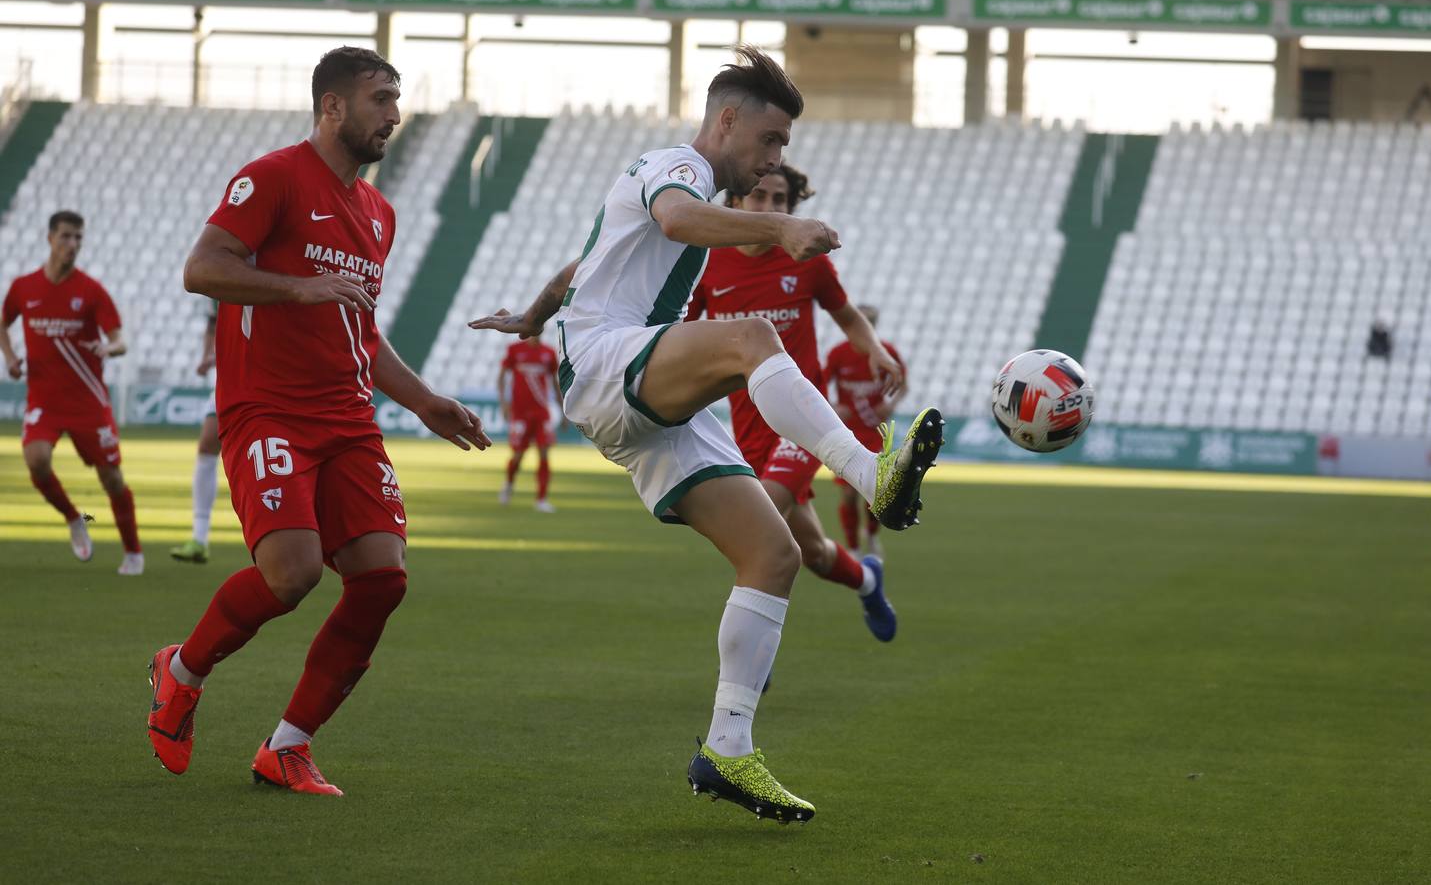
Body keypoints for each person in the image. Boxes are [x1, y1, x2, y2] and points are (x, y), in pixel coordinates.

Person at [470, 46, 943, 824]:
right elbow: (679, 219)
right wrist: (782, 227)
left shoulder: (681, 190)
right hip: (605, 362)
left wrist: (531, 314)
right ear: (726, 120)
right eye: (770, 140)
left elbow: (581, 263)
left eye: (782, 149)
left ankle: (726, 747)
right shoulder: (675, 168)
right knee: (751, 335)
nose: (774, 160)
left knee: (775, 555)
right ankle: (871, 475)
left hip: (643, 396)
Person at [145, 47, 490, 797]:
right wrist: (296, 289)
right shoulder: (271, 176)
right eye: (381, 100)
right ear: (332, 107)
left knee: (381, 580)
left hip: (349, 419)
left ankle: (288, 746)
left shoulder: (379, 213)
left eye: (397, 102)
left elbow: (360, 332)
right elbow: (201, 269)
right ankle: (180, 671)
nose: (394, 116)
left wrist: (423, 399)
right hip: (267, 411)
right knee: (294, 573)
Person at [685, 165, 902, 641]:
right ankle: (867, 580)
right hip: (747, 426)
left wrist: (878, 350)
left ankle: (749, 655)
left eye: (779, 200)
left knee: (755, 522)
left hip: (805, 423)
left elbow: (847, 317)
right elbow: (682, 339)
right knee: (813, 552)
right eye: (758, 196)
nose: (768, 208)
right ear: (736, 201)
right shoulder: (707, 265)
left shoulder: (808, 262)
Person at [1, 210, 144, 575]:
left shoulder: (91, 291)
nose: (73, 245)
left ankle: (133, 552)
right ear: (50, 238)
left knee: (112, 478)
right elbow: (3, 323)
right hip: (44, 401)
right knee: (35, 459)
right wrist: (12, 357)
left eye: (78, 238)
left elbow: (119, 340)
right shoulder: (24, 287)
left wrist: (109, 349)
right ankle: (73, 518)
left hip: (88, 404)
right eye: (66, 236)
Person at [824, 305, 907, 558]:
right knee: (849, 494)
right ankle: (853, 548)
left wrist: (890, 404)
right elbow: (819, 385)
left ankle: (870, 536)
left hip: (876, 431)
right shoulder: (838, 354)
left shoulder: (887, 353)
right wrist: (835, 406)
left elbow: (903, 385)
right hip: (847, 432)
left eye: (871, 322)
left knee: (876, 493)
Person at [171, 300, 221, 563]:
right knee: (207, 446)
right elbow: (213, 323)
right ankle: (199, 539)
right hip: (231, 376)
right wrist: (207, 356)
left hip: (263, 373)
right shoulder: (222, 272)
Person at [497, 334, 561, 512]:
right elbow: (502, 376)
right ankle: (509, 483)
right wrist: (504, 403)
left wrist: (561, 408)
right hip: (520, 413)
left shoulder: (548, 353)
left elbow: (554, 382)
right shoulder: (515, 349)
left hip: (541, 413)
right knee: (518, 455)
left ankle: (541, 499)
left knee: (544, 454)